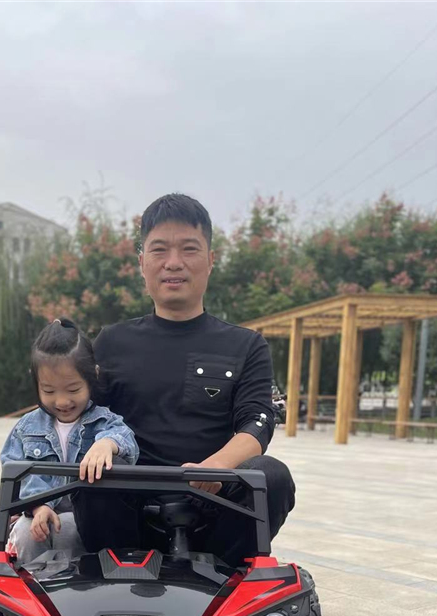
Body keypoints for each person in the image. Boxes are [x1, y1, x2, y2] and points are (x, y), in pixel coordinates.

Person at [72, 192, 295, 567]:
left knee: (271, 475)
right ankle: (118, 573)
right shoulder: (111, 342)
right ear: (142, 263)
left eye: (189, 249)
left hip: (213, 504)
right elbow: (79, 419)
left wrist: (216, 467)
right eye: (159, 250)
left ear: (210, 260)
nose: (173, 263)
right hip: (127, 507)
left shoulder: (247, 345)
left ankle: (224, 580)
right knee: (91, 469)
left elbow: (258, 424)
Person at [1, 316, 138, 565]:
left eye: (73, 390)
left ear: (93, 376)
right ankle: (31, 583)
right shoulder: (26, 427)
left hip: (81, 517)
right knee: (27, 531)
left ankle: (71, 586)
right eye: (49, 391)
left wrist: (107, 444)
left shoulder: (103, 420)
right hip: (35, 510)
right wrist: (38, 506)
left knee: (68, 528)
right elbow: (14, 472)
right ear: (36, 382)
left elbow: (127, 440)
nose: (62, 401)